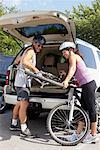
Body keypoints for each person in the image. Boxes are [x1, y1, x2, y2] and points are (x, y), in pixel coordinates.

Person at [59, 41, 98, 143]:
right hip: (85, 85)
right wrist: (69, 79)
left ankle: (93, 135)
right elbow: (77, 74)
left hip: (89, 84)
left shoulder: (73, 56)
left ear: (70, 50)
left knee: (91, 109)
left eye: (64, 52)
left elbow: (73, 69)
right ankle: (78, 134)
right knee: (83, 111)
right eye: (62, 53)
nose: (63, 54)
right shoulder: (73, 57)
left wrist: (67, 80)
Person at [9, 35, 46, 137]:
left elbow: (17, 61)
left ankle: (13, 123)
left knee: (18, 104)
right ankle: (24, 128)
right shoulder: (31, 51)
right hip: (22, 83)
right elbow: (25, 62)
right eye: (39, 45)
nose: (40, 47)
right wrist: (35, 70)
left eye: (41, 46)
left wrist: (20, 68)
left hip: (20, 82)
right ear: (34, 43)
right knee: (24, 105)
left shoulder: (26, 50)